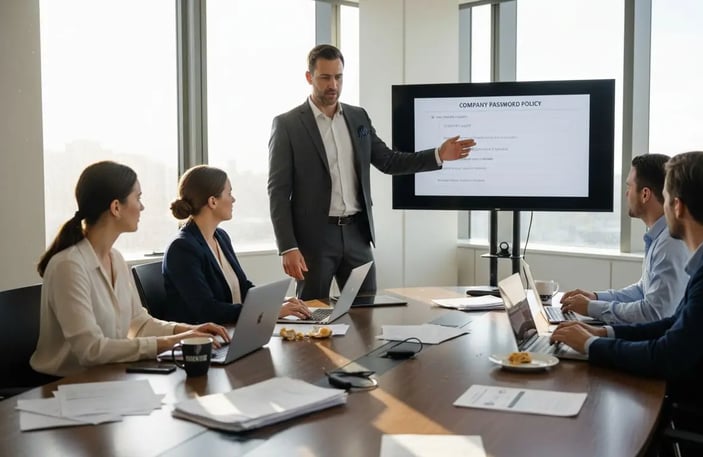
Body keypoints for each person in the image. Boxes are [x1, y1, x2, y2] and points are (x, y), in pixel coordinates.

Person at [551, 151, 703, 425]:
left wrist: (591, 346)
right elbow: (674, 324)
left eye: (664, 198)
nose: (663, 208)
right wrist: (603, 332)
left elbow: (667, 357)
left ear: (677, 206)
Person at [268, 44, 476, 300]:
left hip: (357, 235)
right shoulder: (288, 125)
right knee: (312, 313)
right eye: (325, 77)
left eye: (338, 77)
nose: (333, 84)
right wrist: (287, 246)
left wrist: (438, 155)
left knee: (366, 313)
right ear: (309, 77)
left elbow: (388, 161)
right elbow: (277, 191)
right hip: (314, 240)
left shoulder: (358, 117)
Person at [30, 161, 230, 377]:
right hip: (65, 386)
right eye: (138, 198)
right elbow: (90, 350)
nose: (142, 207)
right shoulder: (68, 266)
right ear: (116, 207)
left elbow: (139, 323)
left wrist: (188, 331)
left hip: (108, 378)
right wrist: (174, 341)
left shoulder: (116, 259)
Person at [162, 165, 311, 325]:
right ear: (213, 201)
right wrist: (271, 311)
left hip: (234, 330)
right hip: (207, 340)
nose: (233, 199)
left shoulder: (221, 237)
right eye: (229, 193)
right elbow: (207, 310)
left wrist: (278, 302)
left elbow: (243, 287)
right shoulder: (182, 248)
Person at [560, 154, 690, 324]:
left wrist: (591, 307)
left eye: (629, 186)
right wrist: (595, 297)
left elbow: (654, 313)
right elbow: (642, 291)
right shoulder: (660, 237)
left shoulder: (671, 243)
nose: (626, 193)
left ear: (645, 194)